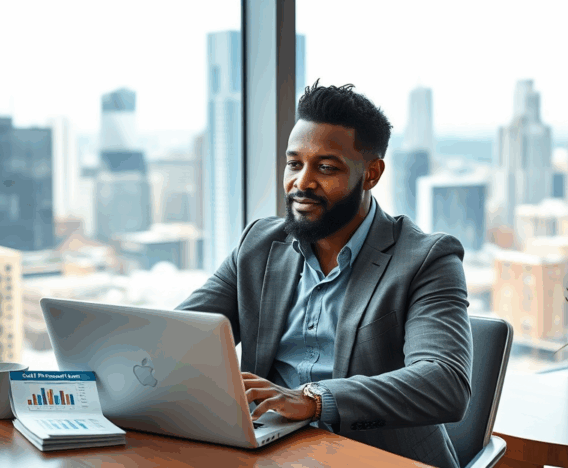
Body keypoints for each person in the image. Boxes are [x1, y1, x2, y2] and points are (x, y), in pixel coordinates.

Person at [176, 79, 472, 468]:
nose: (302, 183)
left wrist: (314, 400)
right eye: (294, 164)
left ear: (371, 174)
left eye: (326, 167)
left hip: (376, 458)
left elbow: (444, 382)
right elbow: (180, 336)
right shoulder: (260, 244)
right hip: (270, 452)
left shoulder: (426, 258)